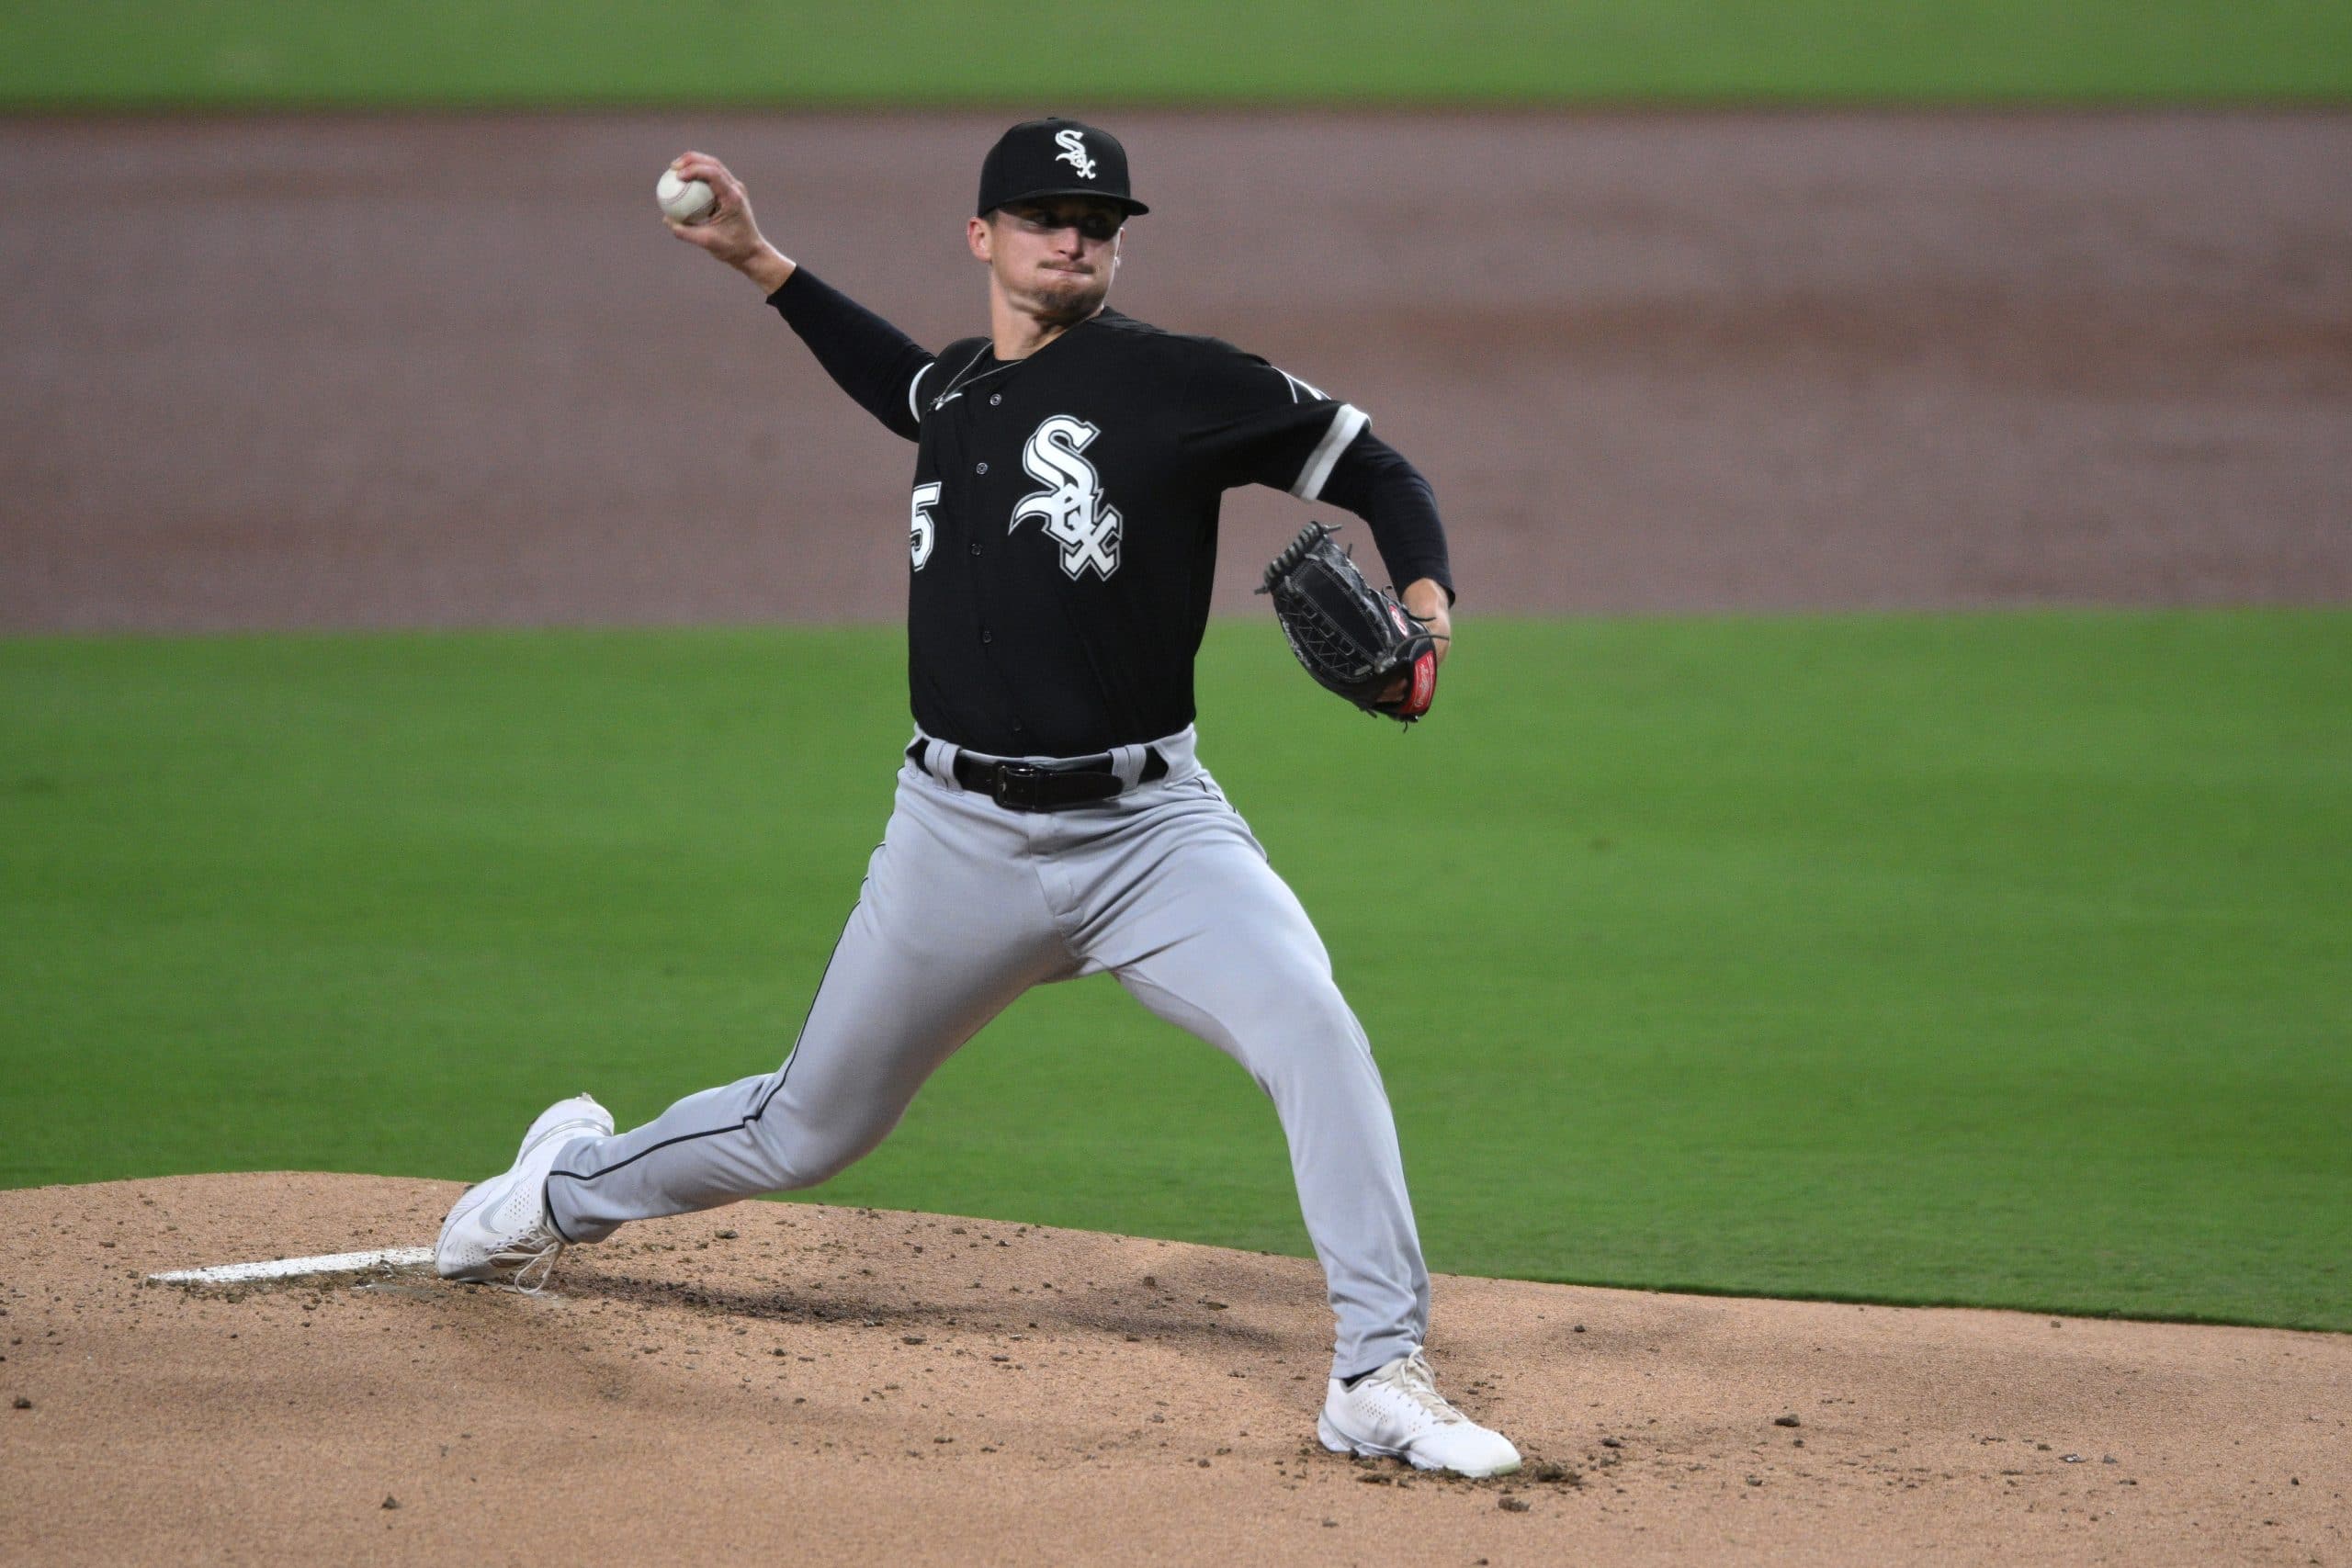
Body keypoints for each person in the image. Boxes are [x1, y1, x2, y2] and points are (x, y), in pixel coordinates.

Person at [436, 118, 1519, 1478]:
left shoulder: (1183, 383)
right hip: (954, 841)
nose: (1075, 236)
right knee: (804, 1127)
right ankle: (561, 1189)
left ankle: (1375, 1371)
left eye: (1101, 220)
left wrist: (1427, 617)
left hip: (1150, 837)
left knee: (1312, 1023)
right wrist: (760, 261)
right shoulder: (956, 394)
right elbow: (898, 379)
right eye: (1044, 214)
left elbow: (1379, 468)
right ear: (984, 237)